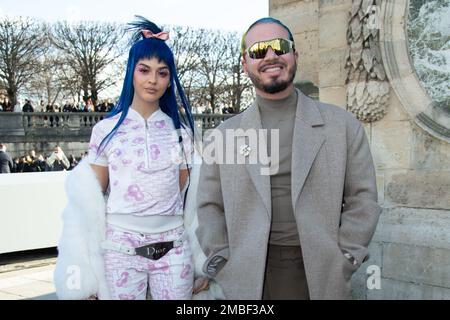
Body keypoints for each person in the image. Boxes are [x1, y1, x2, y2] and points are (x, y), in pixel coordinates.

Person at [194, 17, 382, 300]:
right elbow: (209, 206)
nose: (271, 56)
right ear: (245, 64)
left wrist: (347, 258)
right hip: (247, 275)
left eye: (280, 47)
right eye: (258, 51)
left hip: (322, 271)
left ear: (295, 54)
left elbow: (363, 198)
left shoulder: (341, 125)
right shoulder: (223, 135)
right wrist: (222, 261)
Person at [54, 16, 197, 300]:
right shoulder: (105, 131)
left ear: (170, 80)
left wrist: (203, 263)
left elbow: (191, 203)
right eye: (145, 70)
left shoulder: (181, 134)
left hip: (175, 251)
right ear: (132, 71)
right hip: (119, 253)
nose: (153, 80)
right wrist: (85, 275)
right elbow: (88, 206)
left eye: (162, 72)